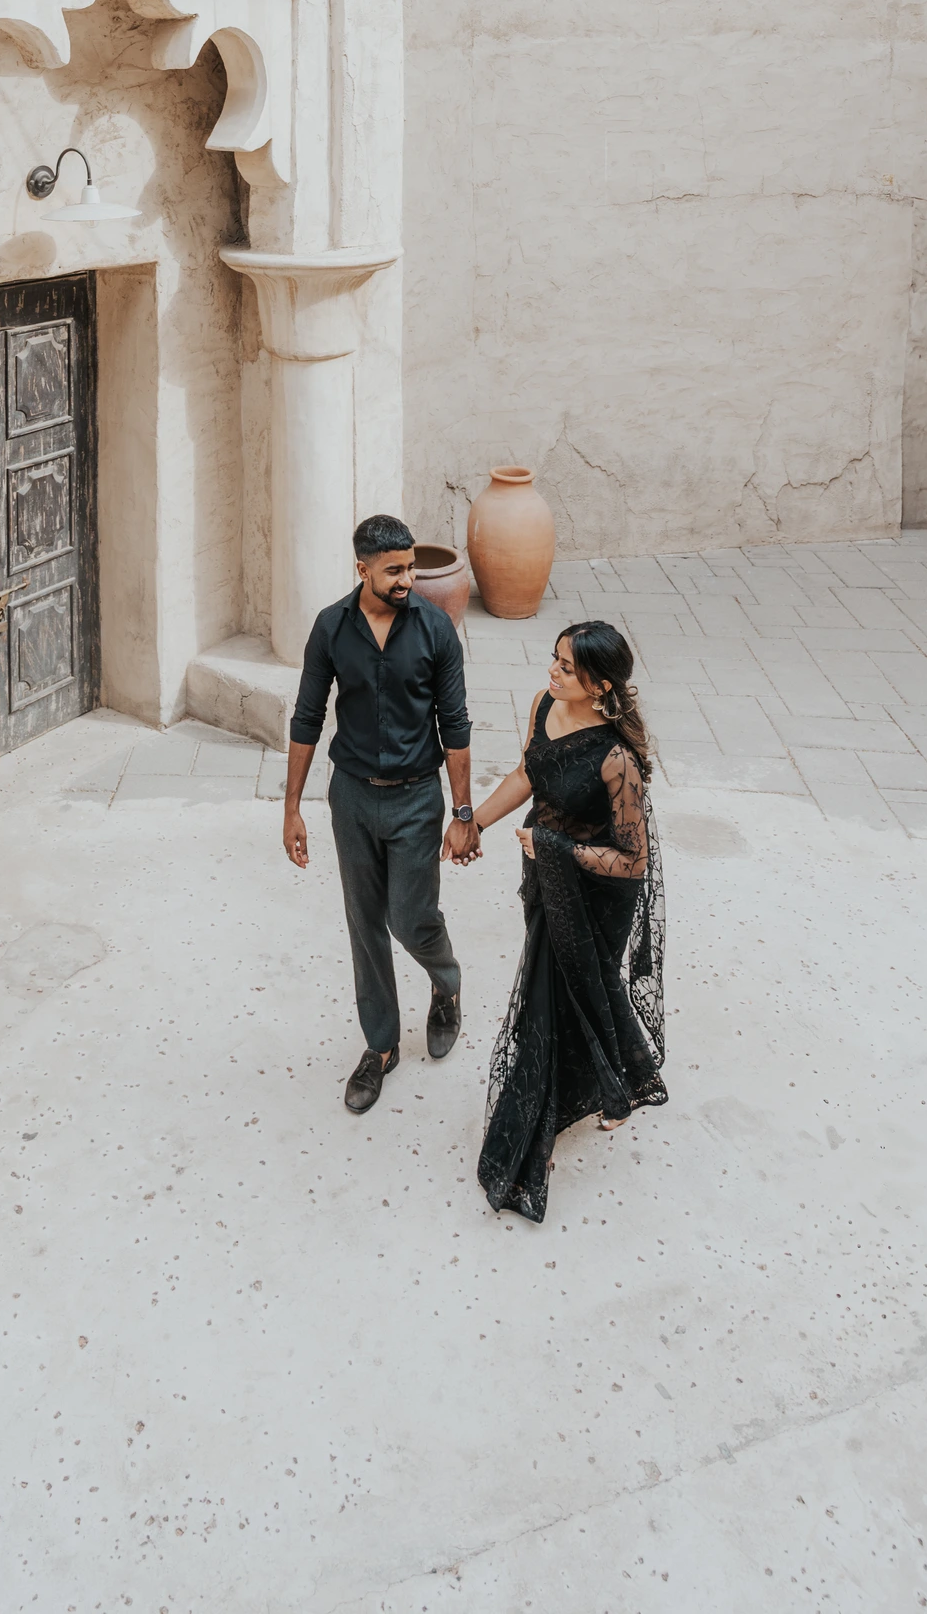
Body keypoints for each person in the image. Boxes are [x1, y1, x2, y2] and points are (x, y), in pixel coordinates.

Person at [283, 515, 481, 1114]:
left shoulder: (435, 629)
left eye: (410, 568)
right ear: (362, 568)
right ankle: (381, 1046)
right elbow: (306, 717)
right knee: (363, 921)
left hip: (417, 797)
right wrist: (292, 807)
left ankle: (446, 983)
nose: (407, 579)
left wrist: (463, 811)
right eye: (394, 570)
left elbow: (457, 725)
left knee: (410, 917)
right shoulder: (330, 627)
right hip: (351, 794)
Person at [470, 620, 667, 1223]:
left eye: (565, 668)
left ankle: (545, 1118)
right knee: (572, 994)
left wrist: (557, 849)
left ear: (599, 684)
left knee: (562, 997)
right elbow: (530, 773)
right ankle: (617, 1083)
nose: (551, 673)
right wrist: (474, 823)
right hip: (547, 876)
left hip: (597, 893)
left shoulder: (617, 759)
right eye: (553, 660)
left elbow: (633, 860)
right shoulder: (543, 705)